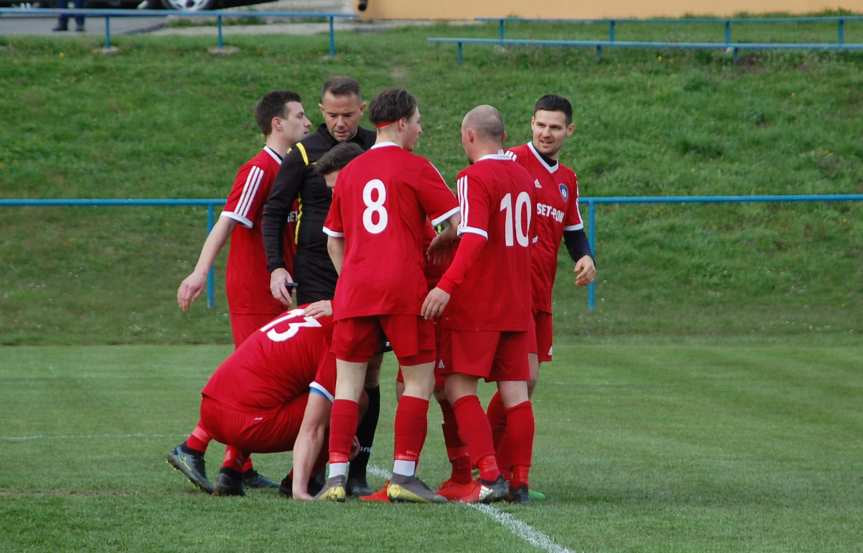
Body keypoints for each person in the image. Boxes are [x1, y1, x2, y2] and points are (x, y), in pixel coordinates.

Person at [316, 88, 460, 503]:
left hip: (356, 291)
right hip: (404, 288)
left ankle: (336, 477)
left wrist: (351, 282)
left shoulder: (352, 171)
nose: (420, 128)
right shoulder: (416, 167)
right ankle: (403, 475)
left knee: (347, 384)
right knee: (418, 378)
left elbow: (333, 241)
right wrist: (435, 243)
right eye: (417, 121)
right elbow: (455, 224)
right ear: (400, 122)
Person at [172, 91, 311, 490]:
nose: (307, 123)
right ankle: (194, 447)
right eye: (299, 116)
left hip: (278, 289)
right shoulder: (259, 168)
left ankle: (236, 465)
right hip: (253, 287)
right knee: (257, 380)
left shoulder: (292, 167)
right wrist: (200, 273)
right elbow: (227, 221)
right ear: (277, 124)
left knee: (268, 379)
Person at [261, 77, 381, 497]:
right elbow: (274, 212)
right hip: (316, 272)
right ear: (321, 109)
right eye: (332, 114)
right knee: (323, 373)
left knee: (368, 371)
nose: (340, 122)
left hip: (366, 271)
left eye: (348, 114)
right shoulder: (301, 151)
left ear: (361, 110)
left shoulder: (375, 148)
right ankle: (313, 470)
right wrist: (277, 267)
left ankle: (358, 467)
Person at [421, 105, 536, 503]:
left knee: (457, 386)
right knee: (515, 393)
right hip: (518, 299)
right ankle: (519, 480)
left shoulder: (471, 177)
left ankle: (488, 473)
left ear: (469, 136)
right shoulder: (523, 176)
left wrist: (446, 286)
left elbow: (475, 237)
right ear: (503, 136)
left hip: (481, 301)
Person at [486, 95, 597, 484]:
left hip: (539, 295)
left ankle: (494, 467)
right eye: (540, 125)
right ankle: (489, 467)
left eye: (555, 127)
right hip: (506, 293)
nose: (546, 133)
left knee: (526, 385)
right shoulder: (509, 161)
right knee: (521, 381)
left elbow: (573, 231)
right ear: (530, 123)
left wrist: (585, 258)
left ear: (569, 130)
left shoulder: (567, 179)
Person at [166, 303, 352, 498]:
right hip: (244, 424)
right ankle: (299, 481)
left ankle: (231, 468)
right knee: (348, 403)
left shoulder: (309, 308)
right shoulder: (337, 338)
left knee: (270, 392)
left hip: (209, 410)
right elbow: (315, 424)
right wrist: (342, 432)